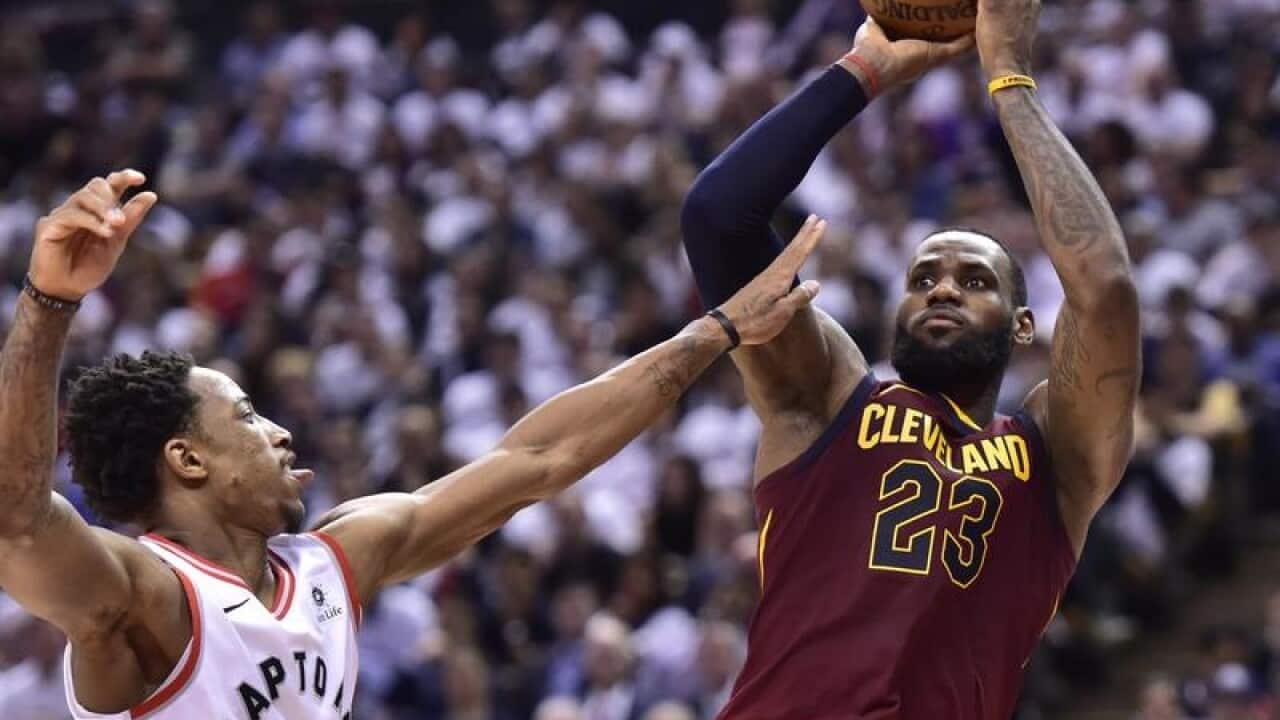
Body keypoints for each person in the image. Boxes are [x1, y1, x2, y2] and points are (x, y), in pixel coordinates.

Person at [0, 170, 827, 719]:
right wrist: (47, 302)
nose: (281, 430)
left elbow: (535, 461)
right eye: (249, 416)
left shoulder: (330, 562)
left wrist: (714, 332)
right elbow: (18, 523)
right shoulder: (146, 594)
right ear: (188, 460)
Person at [679, 0, 1141, 717]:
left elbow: (1105, 289)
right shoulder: (828, 402)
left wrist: (1009, 78)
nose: (942, 290)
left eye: (975, 280)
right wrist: (864, 71)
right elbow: (717, 216)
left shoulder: (1052, 454)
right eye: (922, 279)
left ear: (1025, 326)